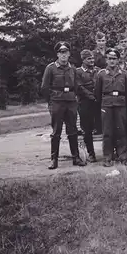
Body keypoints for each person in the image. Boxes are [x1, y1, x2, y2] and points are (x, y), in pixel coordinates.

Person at [41, 41, 87, 169]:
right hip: (57, 102)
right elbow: (44, 88)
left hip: (71, 102)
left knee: (72, 130)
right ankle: (53, 159)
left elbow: (77, 85)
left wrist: (76, 98)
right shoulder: (51, 68)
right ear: (57, 54)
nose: (63, 55)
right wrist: (50, 103)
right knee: (56, 131)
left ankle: (76, 158)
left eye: (65, 52)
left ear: (69, 54)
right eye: (61, 52)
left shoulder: (72, 68)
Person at [94, 48, 127, 167]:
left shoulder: (124, 74)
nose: (112, 61)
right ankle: (107, 157)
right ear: (106, 60)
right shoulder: (101, 74)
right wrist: (104, 103)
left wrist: (123, 102)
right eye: (110, 58)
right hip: (107, 105)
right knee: (107, 132)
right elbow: (97, 92)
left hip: (120, 104)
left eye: (114, 59)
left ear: (118, 60)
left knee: (121, 131)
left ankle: (122, 156)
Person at [76, 49, 100, 162]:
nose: (91, 61)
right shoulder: (78, 72)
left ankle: (110, 151)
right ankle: (91, 153)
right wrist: (91, 96)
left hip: (98, 103)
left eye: (92, 58)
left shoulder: (98, 70)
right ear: (83, 60)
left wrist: (98, 97)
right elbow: (79, 87)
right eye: (88, 59)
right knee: (87, 129)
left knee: (103, 127)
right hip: (85, 103)